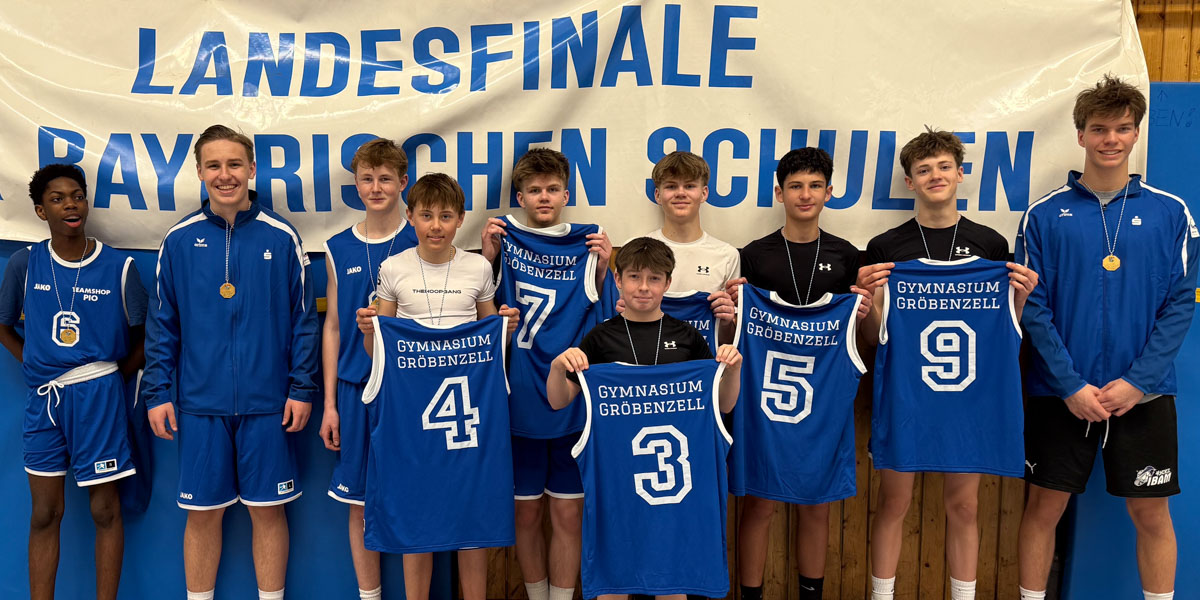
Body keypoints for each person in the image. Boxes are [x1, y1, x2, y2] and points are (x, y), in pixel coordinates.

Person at [1015, 75, 1198, 600]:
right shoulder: (1044, 215)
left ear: (1136, 134)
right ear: (1080, 135)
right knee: (1043, 508)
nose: (1110, 139)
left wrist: (1138, 383)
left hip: (1144, 395)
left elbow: (1180, 304)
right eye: (1099, 129)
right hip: (1059, 395)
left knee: (1151, 512)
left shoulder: (1171, 213)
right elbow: (1034, 307)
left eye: (1122, 128)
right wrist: (1070, 385)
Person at [855, 128, 1036, 600]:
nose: (934, 175)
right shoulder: (886, 249)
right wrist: (869, 304)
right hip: (905, 394)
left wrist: (1018, 300)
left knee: (966, 506)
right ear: (910, 182)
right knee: (893, 503)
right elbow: (876, 339)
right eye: (922, 169)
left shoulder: (991, 246)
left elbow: (1006, 334)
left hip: (968, 399)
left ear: (961, 172)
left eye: (942, 166)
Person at [142, 125, 319, 600]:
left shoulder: (282, 237)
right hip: (200, 404)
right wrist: (157, 392)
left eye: (235, 164)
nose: (225, 175)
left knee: (268, 511)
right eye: (214, 165)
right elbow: (162, 324)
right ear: (199, 172)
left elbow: (304, 320)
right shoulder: (178, 240)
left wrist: (302, 388)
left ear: (252, 169)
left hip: (269, 404)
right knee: (202, 514)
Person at [546, 237, 742, 600]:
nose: (643, 287)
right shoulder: (600, 338)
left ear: (668, 283)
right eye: (634, 277)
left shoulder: (688, 339)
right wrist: (559, 366)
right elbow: (559, 401)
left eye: (654, 279)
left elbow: (724, 407)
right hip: (616, 486)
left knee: (672, 586)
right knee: (614, 583)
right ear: (618, 280)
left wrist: (733, 368)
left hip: (676, 493)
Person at [356, 172, 519, 600]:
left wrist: (503, 327)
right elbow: (381, 356)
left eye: (446, 216)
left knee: (472, 519)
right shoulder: (393, 268)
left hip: (468, 414)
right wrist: (370, 332)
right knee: (417, 518)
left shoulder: (478, 266)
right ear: (409, 216)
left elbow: (491, 342)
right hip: (412, 415)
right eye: (426, 215)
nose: (435, 226)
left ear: (461, 219)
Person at [727, 147, 869, 600]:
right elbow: (733, 329)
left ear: (830, 192)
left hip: (823, 400)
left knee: (816, 505)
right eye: (795, 186)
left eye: (814, 186)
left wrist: (863, 312)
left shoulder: (847, 256)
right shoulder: (753, 256)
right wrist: (734, 310)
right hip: (764, 397)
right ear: (779, 192)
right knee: (759, 502)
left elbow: (862, 337)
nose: (804, 195)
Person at [0, 164, 146, 600]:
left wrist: (107, 381)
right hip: (44, 401)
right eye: (58, 198)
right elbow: (4, 324)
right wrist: (34, 363)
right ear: (41, 211)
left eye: (77, 196)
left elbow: (144, 338)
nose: (71, 205)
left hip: (100, 398)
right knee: (45, 513)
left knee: (105, 510)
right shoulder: (25, 263)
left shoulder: (120, 266)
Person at [480, 147, 613, 600]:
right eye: (534, 190)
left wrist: (605, 266)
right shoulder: (502, 241)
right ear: (519, 195)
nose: (543, 197)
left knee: (568, 515)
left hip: (574, 404)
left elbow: (610, 311)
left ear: (566, 193)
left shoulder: (591, 245)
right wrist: (490, 256)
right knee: (525, 515)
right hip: (519, 400)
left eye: (552, 189)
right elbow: (483, 311)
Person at [318, 138, 417, 600]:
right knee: (358, 503)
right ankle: (369, 595)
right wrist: (330, 405)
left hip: (413, 393)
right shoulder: (338, 246)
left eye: (385, 179)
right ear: (355, 185)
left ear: (403, 183)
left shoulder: (423, 237)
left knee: (416, 498)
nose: (375, 187)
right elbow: (334, 326)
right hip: (357, 389)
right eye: (366, 179)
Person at [639, 150, 737, 341]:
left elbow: (728, 340)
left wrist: (727, 320)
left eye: (690, 186)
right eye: (671, 186)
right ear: (658, 195)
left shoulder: (727, 255)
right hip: (649, 364)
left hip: (701, 367)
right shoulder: (638, 249)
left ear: (704, 193)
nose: (681, 193)